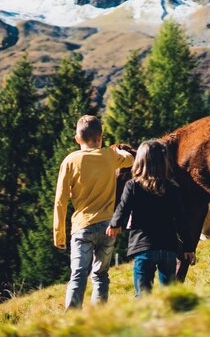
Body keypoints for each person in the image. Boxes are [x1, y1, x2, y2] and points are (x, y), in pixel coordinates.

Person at [54, 115, 134, 310]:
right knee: (100, 275)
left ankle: (72, 318)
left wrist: (59, 234)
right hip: (108, 227)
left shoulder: (70, 161)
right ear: (100, 137)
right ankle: (98, 317)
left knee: (78, 275)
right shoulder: (109, 155)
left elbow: (60, 200)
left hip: (82, 227)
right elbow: (131, 159)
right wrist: (119, 150)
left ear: (77, 139)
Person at [106, 139, 196, 298]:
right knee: (169, 295)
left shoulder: (132, 186)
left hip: (143, 248)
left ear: (139, 162)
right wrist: (189, 247)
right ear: (164, 162)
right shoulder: (172, 188)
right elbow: (182, 220)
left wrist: (115, 224)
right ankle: (170, 318)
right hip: (168, 248)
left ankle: (148, 319)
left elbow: (123, 207)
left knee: (143, 295)